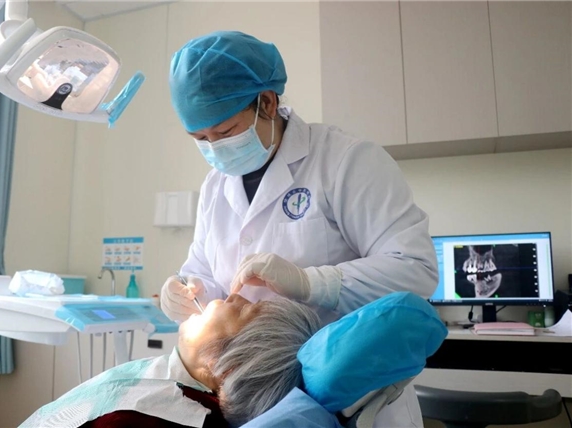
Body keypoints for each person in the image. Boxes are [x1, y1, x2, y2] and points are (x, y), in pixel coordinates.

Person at [161, 30, 439, 426]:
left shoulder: (345, 161)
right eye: (200, 138)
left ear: (267, 102)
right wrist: (186, 289)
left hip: (353, 403)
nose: (214, 148)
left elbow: (416, 269)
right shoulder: (214, 186)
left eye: (224, 132)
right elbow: (203, 269)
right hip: (253, 399)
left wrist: (312, 284)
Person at [19, 295, 321, 428]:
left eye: (244, 310)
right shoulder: (179, 384)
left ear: (228, 368)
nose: (233, 296)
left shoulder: (145, 423)